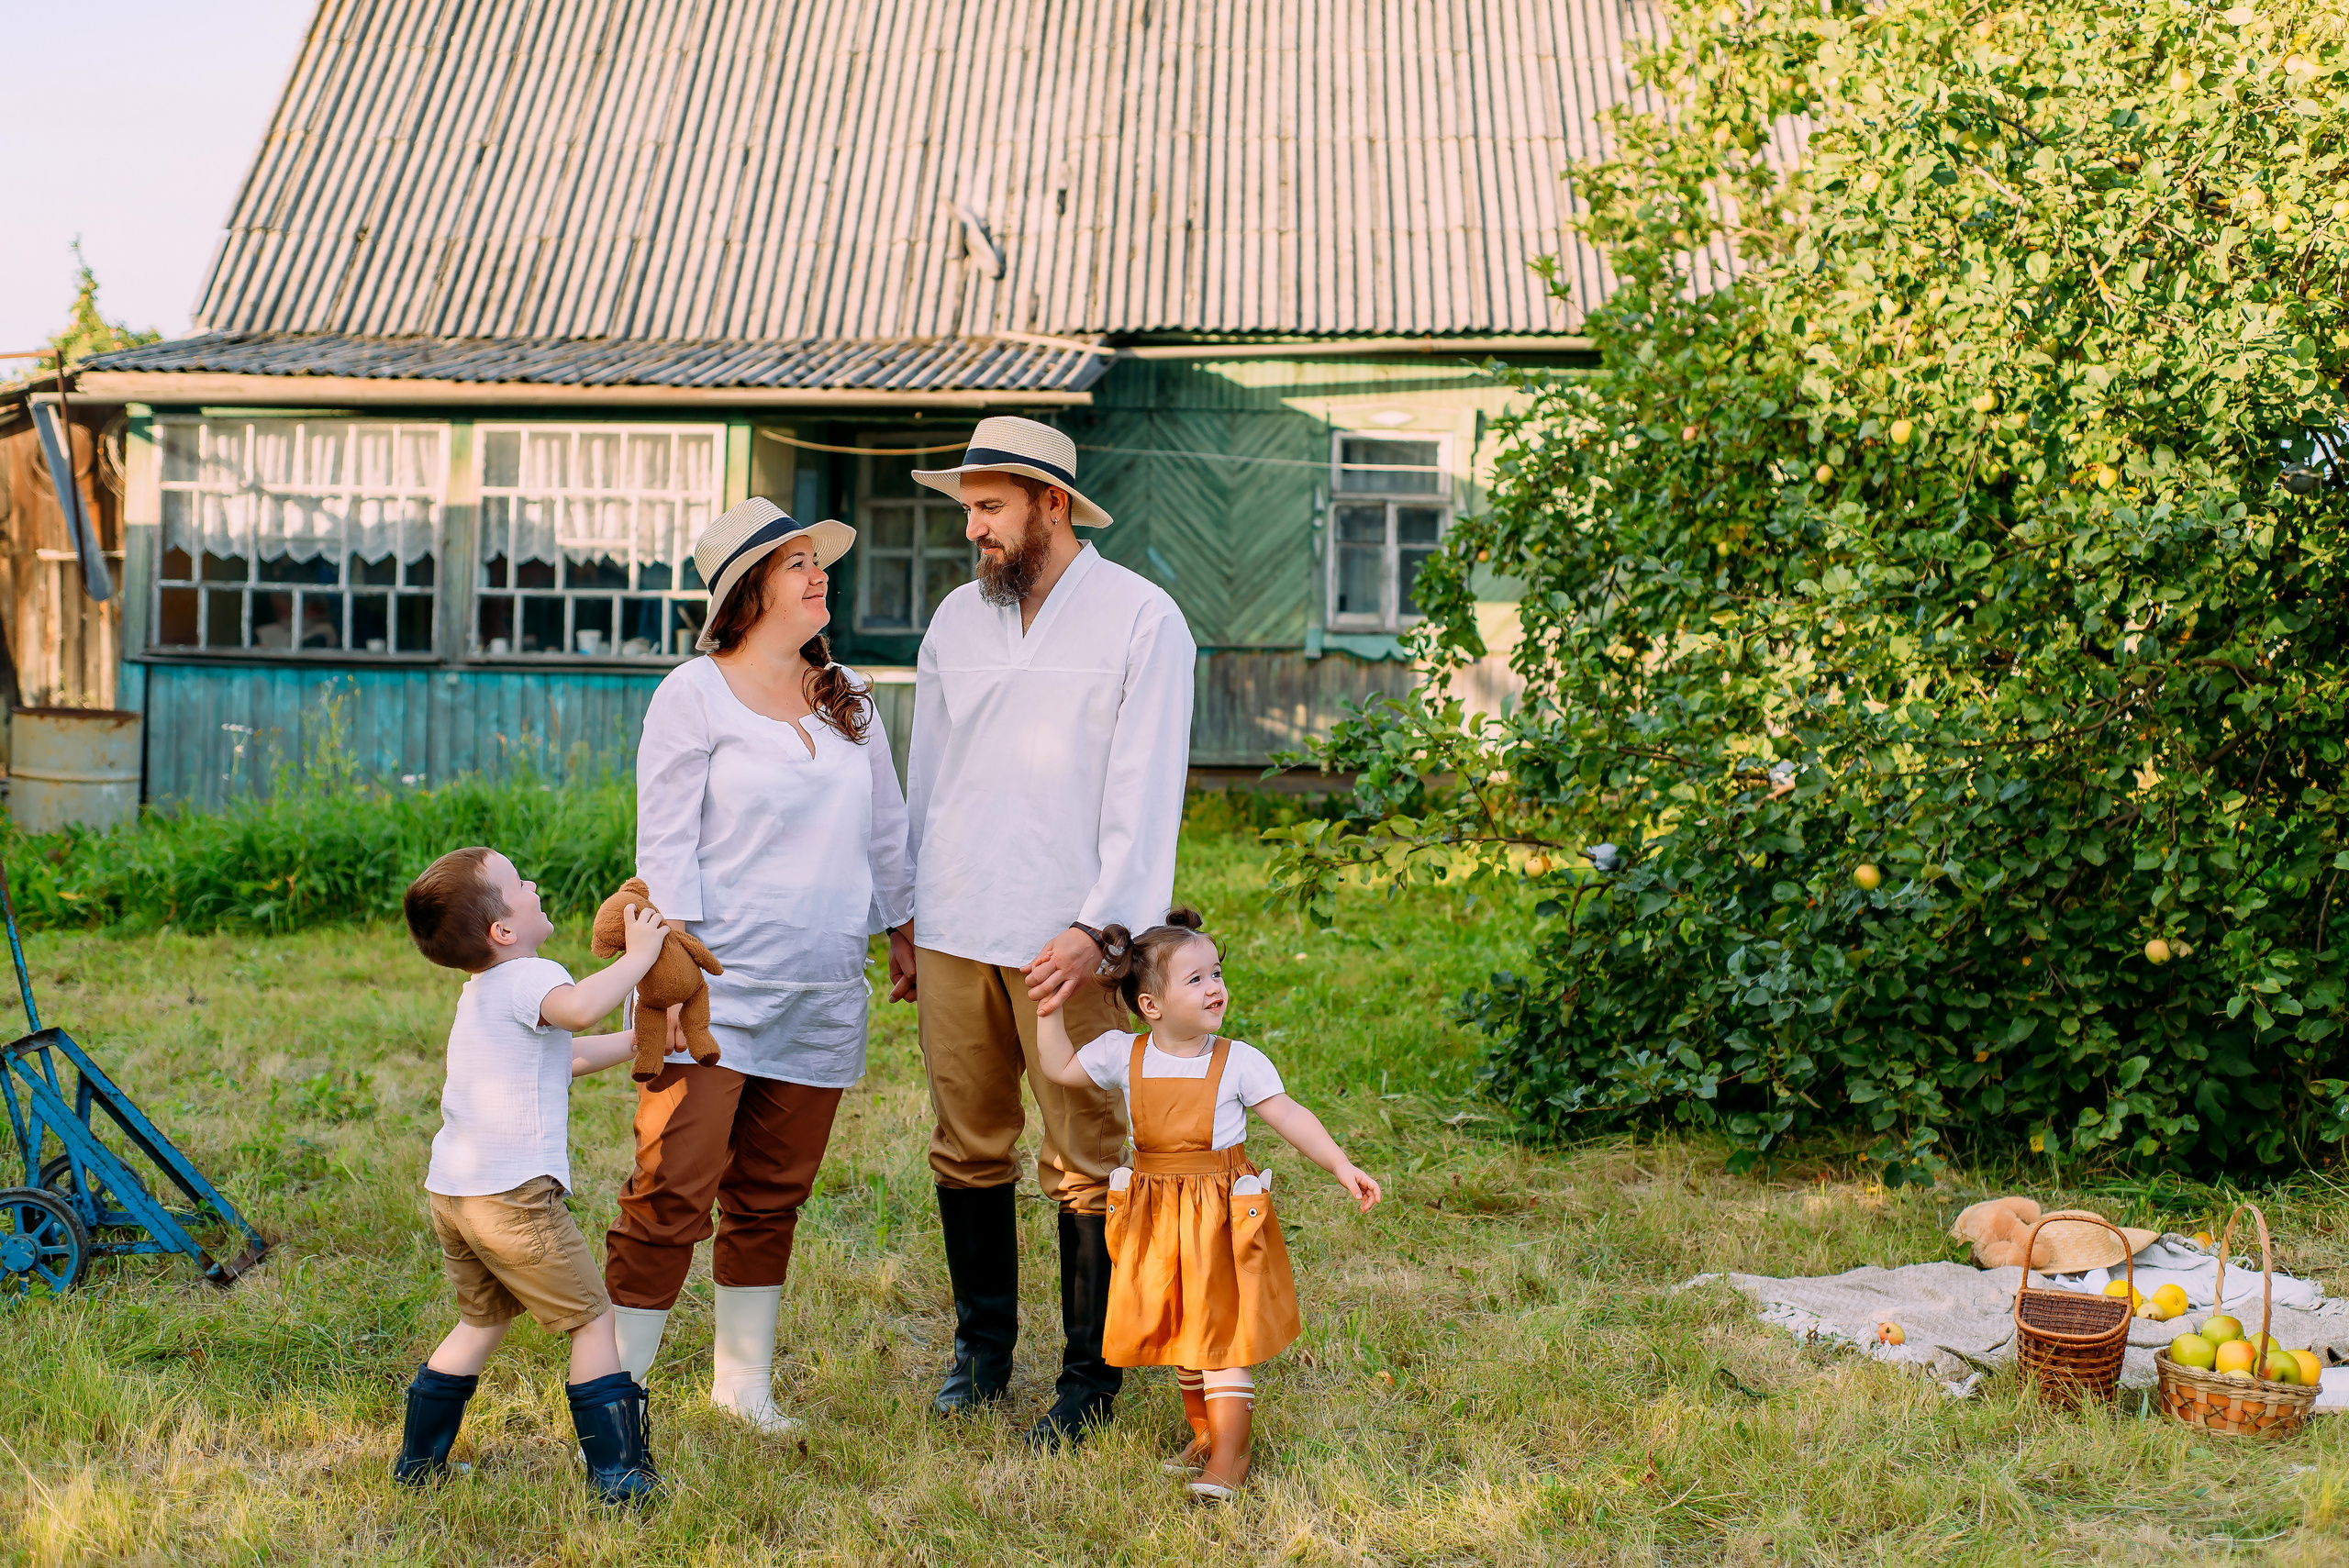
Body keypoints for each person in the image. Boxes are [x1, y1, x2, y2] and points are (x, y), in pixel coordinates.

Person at [899, 416, 1197, 1446]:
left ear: (1051, 505)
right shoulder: (954, 619)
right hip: (950, 923)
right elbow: (924, 777)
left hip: (1070, 940)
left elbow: (1145, 793)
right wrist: (906, 913)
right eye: (968, 510)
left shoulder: (1141, 620)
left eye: (989, 509)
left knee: (1084, 1151)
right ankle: (980, 1353)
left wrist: (1098, 926)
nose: (971, 530)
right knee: (966, 1143)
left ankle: (1088, 1376)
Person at [603, 497, 915, 1435]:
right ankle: (615, 1395)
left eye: (818, 559)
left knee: (772, 1194)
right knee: (669, 1188)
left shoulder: (847, 690)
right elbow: (664, 844)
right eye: (794, 563)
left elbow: (886, 822)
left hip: (821, 983)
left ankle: (742, 1390)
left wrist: (901, 926)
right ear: (748, 590)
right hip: (716, 988)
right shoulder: (691, 693)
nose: (819, 572)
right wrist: (670, 977)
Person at [1031, 908, 1380, 1501]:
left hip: (1216, 1217)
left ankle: (1230, 1451)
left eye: (1216, 973)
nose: (1215, 986)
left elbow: (1289, 1114)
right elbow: (1059, 1065)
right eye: (1196, 979)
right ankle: (1203, 1431)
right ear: (1151, 1006)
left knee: (1220, 1337)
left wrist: (1340, 1163)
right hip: (1158, 1214)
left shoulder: (1237, 1061)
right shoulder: (1126, 1054)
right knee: (1182, 1333)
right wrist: (1046, 1009)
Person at [393, 847, 669, 1506]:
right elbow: (576, 1012)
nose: (534, 883)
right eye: (519, 882)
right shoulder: (531, 976)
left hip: (457, 1192)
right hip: (513, 1197)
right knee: (593, 1321)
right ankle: (620, 1478)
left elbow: (563, 1055)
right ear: (503, 931)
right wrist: (637, 959)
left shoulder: (484, 993)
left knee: (481, 1322)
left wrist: (637, 1043)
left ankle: (418, 1462)